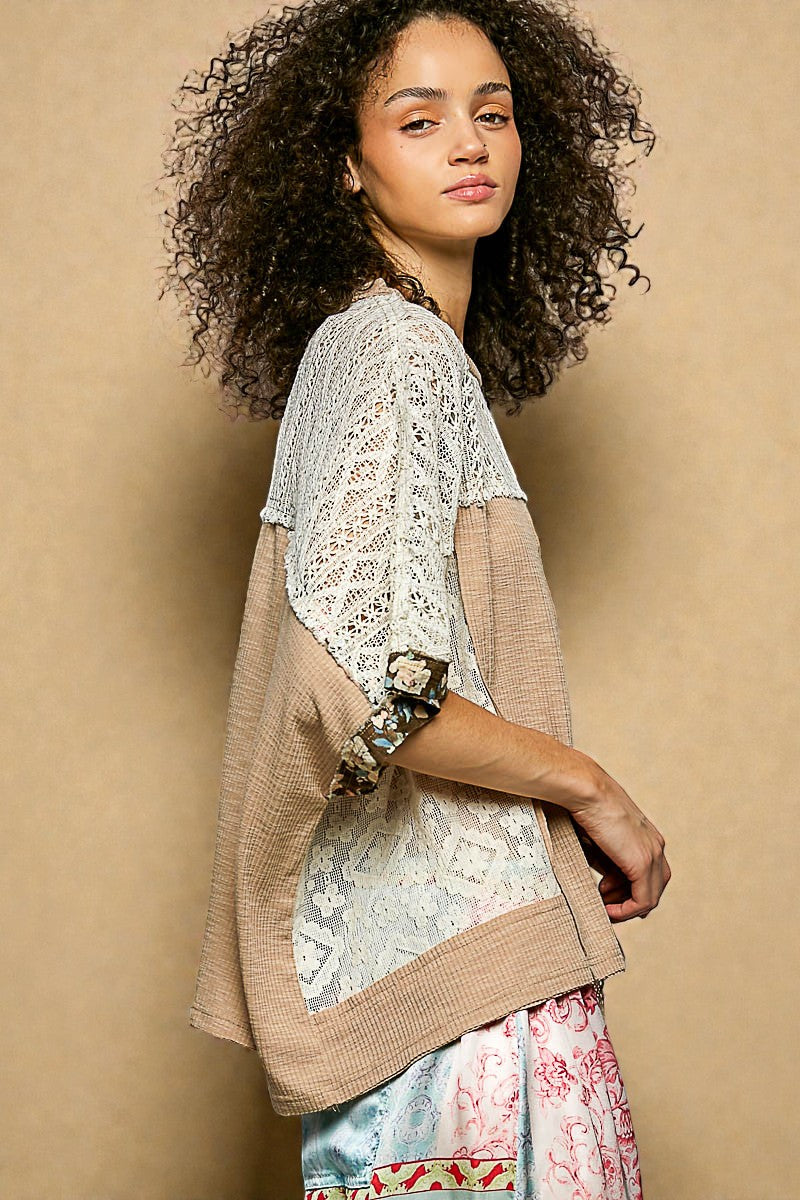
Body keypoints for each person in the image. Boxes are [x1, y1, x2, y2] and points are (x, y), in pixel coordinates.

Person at [159, 0, 670, 1195]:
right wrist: (594, 787)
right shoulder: (389, 354)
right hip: (458, 1009)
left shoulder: (393, 355)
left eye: (492, 112)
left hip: (445, 995)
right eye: (419, 116)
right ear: (343, 163)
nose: (470, 142)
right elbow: (371, 697)